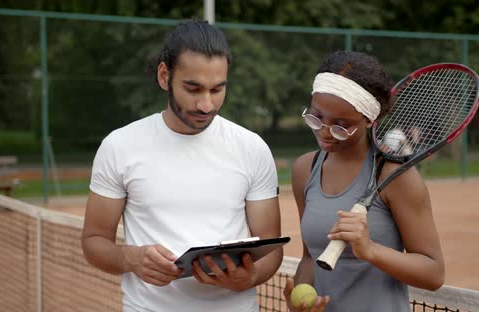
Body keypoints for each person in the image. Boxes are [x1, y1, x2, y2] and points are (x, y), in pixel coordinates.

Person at [81, 20, 283, 312]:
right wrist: (131, 259)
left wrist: (250, 277)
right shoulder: (119, 146)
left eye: (217, 90)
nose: (206, 105)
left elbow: (270, 247)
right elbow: (94, 240)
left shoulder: (252, 149)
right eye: (193, 88)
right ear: (165, 76)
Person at [283, 51, 445, 312]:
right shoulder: (305, 169)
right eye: (317, 117)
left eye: (341, 125)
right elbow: (309, 258)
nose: (324, 132)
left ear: (370, 120)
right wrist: (298, 306)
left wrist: (370, 249)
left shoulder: (396, 177)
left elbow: (434, 273)